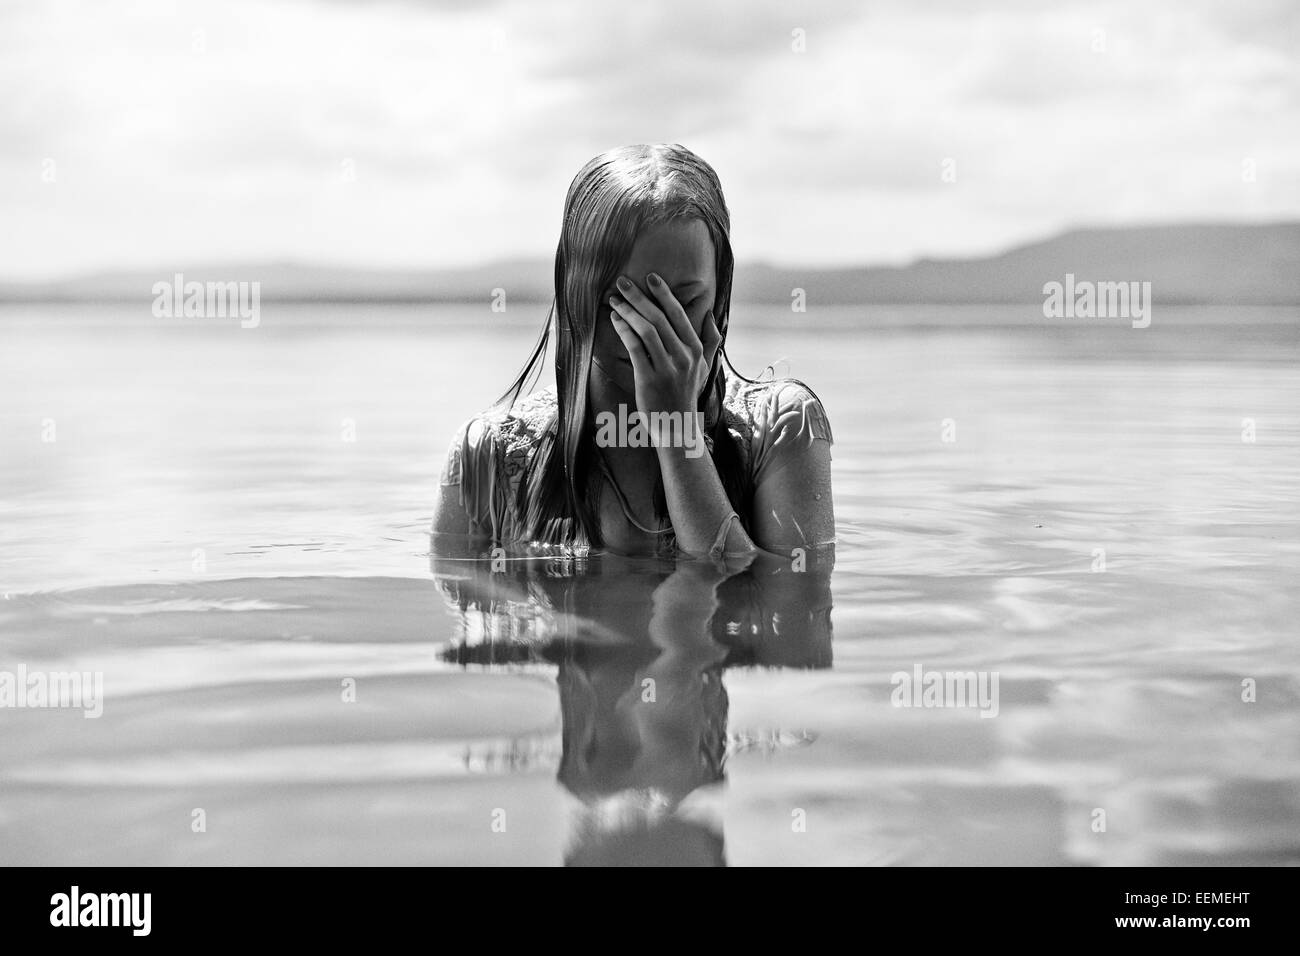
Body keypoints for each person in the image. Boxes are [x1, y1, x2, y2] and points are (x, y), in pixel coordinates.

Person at [432, 142, 835, 561]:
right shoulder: (490, 457)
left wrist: (679, 435)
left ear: (719, 296)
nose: (649, 333)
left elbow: (791, 606)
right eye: (621, 302)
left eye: (680, 303)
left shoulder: (783, 427)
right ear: (574, 296)